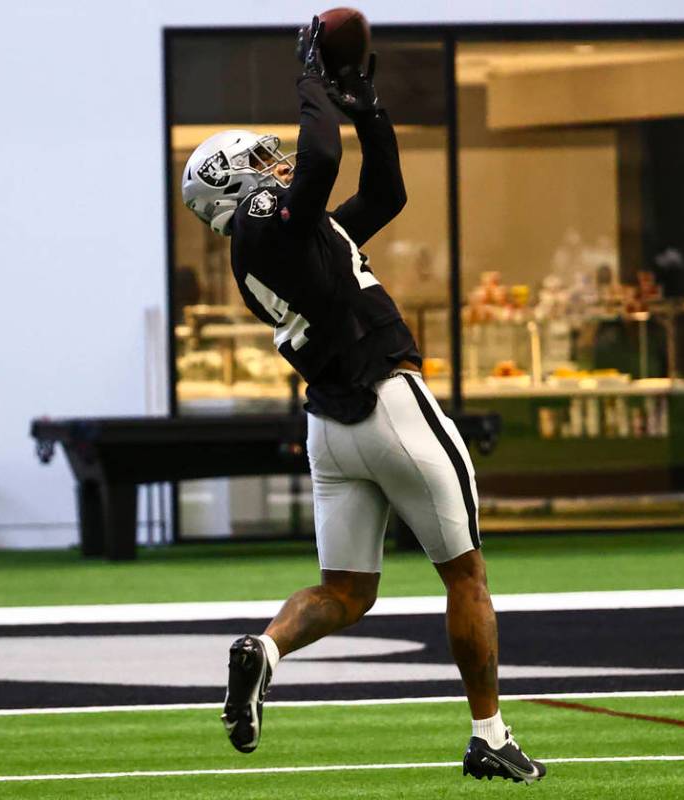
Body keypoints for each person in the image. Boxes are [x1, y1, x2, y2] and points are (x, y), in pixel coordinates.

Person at [179, 17, 545, 785]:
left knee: (345, 592)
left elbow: (385, 192)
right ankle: (490, 734)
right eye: (255, 161)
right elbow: (318, 157)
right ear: (231, 187)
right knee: (465, 574)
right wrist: (310, 79)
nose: (272, 165)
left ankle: (265, 650)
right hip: (388, 402)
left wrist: (368, 107)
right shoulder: (262, 224)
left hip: (334, 430)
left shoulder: (286, 242)